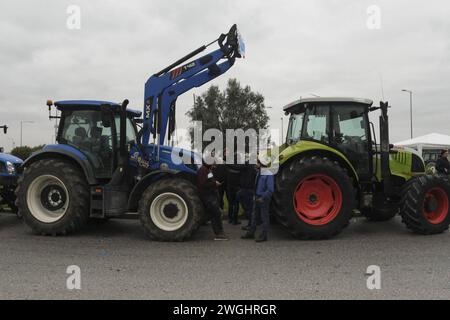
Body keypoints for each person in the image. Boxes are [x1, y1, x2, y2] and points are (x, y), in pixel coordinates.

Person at [241, 155, 274, 242]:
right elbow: (256, 186)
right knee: (254, 216)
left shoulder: (269, 174)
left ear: (262, 164)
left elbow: (270, 190)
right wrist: (255, 196)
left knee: (264, 217)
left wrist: (262, 197)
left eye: (258, 162)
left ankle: (264, 235)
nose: (256, 164)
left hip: (263, 199)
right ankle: (251, 233)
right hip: (256, 197)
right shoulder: (259, 172)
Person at [197, 156, 228, 241]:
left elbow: (210, 180)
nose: (214, 164)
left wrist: (214, 182)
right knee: (216, 214)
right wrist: (215, 184)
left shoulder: (208, 170)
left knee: (215, 213)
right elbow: (203, 184)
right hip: (207, 195)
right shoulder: (203, 170)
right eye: (212, 162)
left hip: (211, 195)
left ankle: (219, 233)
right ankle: (219, 234)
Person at [238, 154, 257, 231]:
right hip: (250, 190)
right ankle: (251, 224)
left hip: (246, 189)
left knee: (248, 209)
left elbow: (239, 168)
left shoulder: (246, 166)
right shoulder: (254, 168)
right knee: (250, 209)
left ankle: (251, 226)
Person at [226, 151, 242, 225]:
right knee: (236, 204)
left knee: (230, 203)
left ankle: (230, 218)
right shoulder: (240, 167)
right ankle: (235, 220)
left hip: (230, 187)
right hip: (237, 188)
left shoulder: (229, 166)